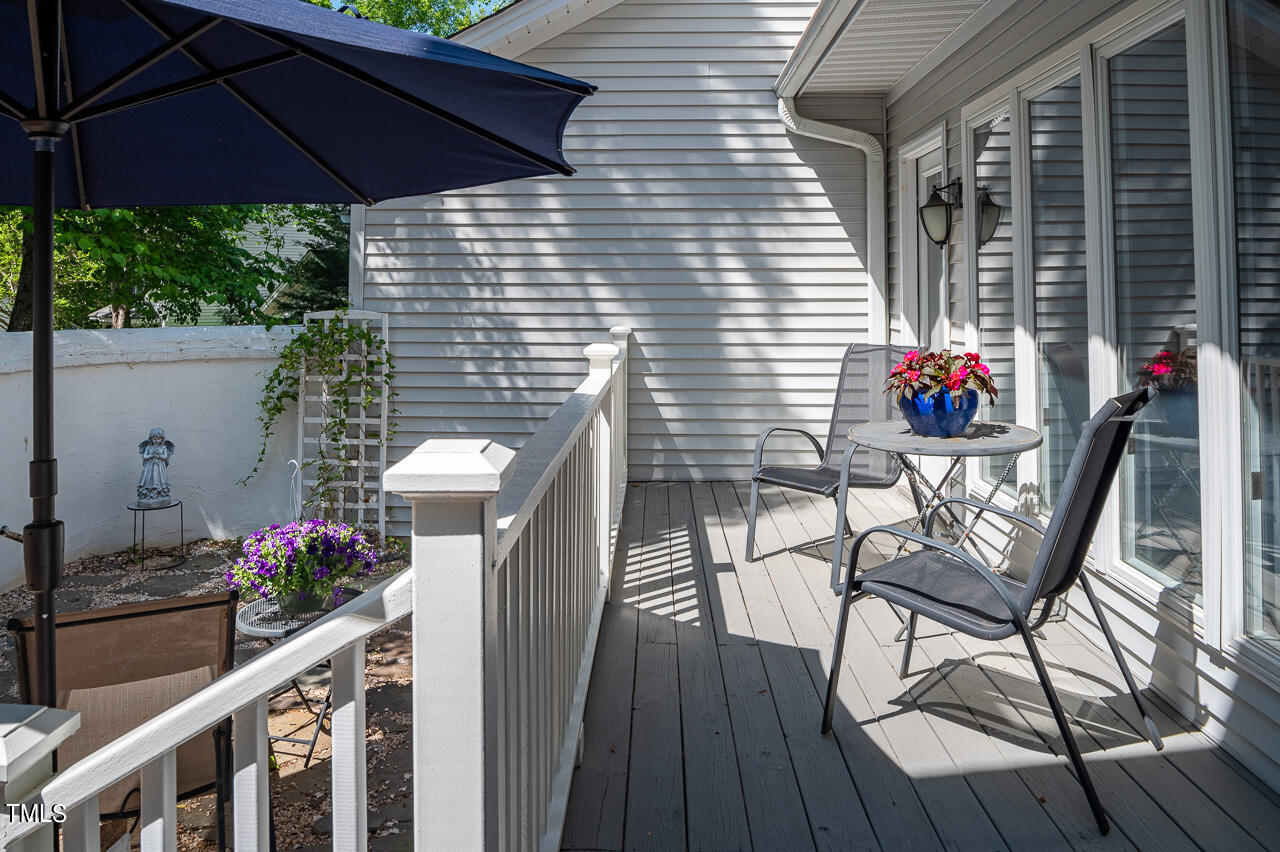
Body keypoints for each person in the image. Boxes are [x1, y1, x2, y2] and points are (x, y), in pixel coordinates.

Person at [137, 427, 176, 506]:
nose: (156, 440)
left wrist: (159, 456)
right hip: (150, 467)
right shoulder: (148, 447)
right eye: (154, 438)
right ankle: (148, 493)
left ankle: (160, 492)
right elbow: (145, 456)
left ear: (162, 439)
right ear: (151, 439)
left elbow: (165, 457)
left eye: (158, 438)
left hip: (159, 466)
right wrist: (151, 455)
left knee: (159, 478)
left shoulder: (163, 447)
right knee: (149, 478)